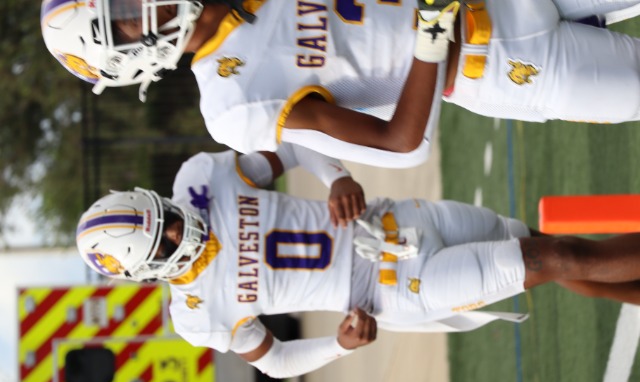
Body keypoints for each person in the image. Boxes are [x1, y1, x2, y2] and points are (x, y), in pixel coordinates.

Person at [76, 148, 640, 379]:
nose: (179, 229)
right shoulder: (196, 313)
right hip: (397, 289)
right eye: (165, 241)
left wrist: (337, 177)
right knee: (553, 257)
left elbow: (295, 145)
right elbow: (274, 361)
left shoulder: (202, 178)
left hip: (398, 219)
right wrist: (339, 346)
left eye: (167, 216)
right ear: (145, 270)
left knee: (543, 250)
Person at [42, 0, 640, 168]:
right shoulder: (233, 104)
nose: (139, 2)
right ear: (126, 54)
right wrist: (432, 31)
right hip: (502, 65)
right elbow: (402, 145)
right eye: (124, 14)